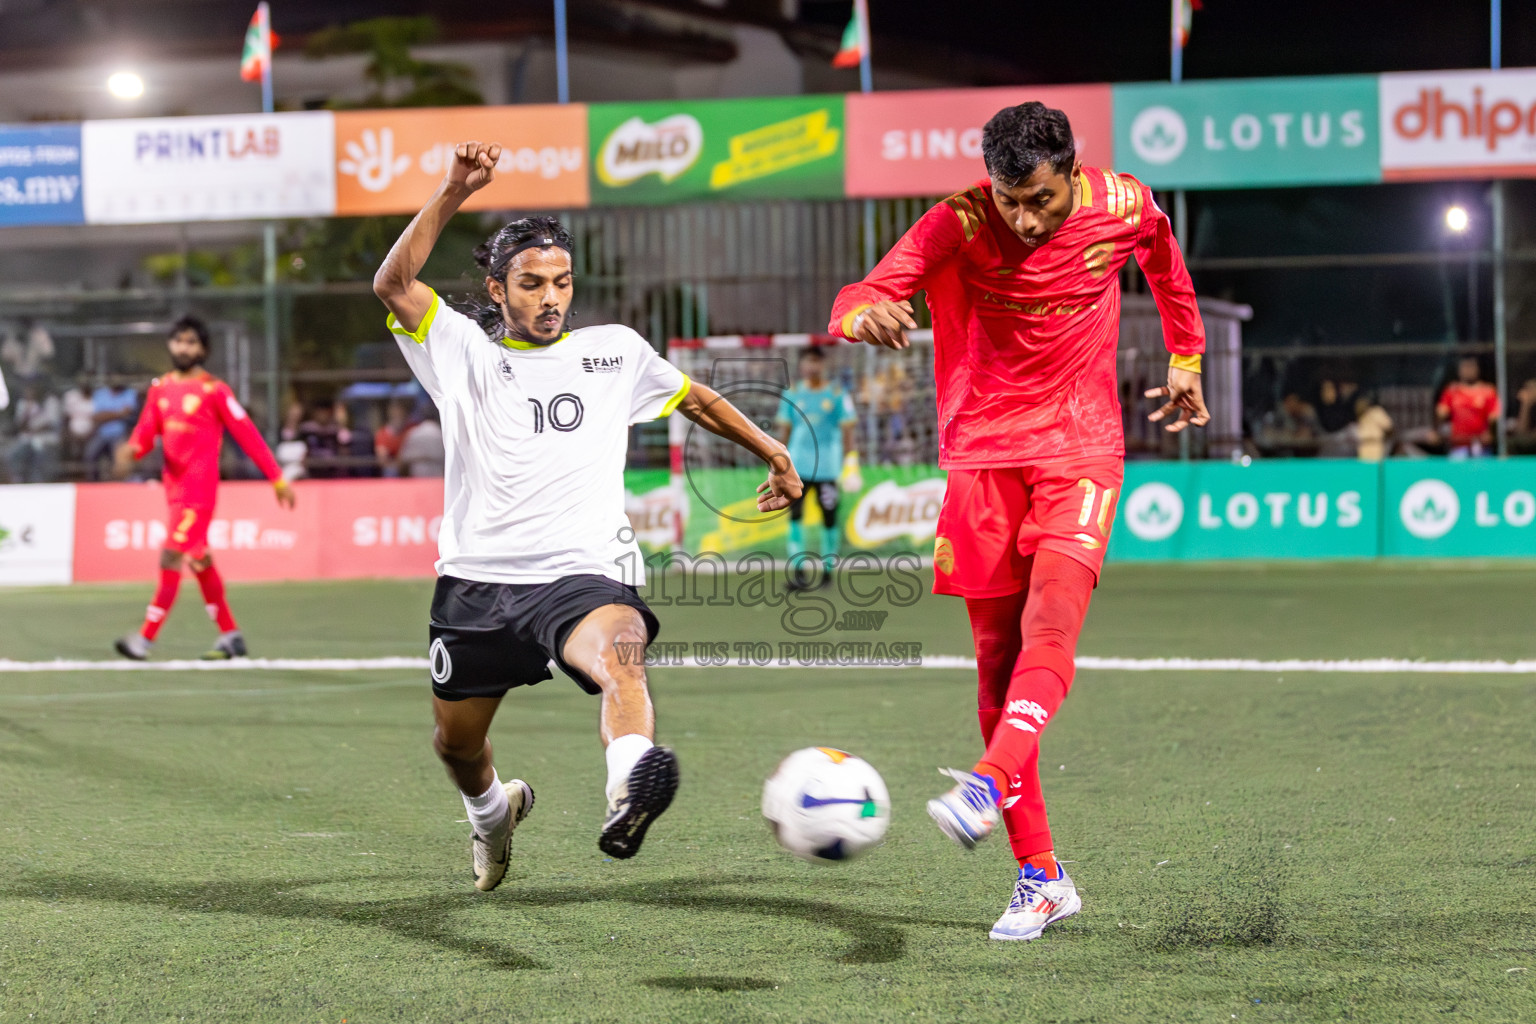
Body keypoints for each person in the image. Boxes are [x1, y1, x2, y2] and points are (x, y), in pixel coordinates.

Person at [372, 141, 801, 888]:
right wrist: (451, 190)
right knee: (456, 747)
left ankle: (629, 785)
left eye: (562, 282)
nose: (550, 297)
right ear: (498, 290)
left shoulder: (616, 353)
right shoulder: (458, 349)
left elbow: (695, 398)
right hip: (476, 583)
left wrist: (775, 451)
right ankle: (492, 818)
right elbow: (393, 280)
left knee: (622, 657)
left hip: (583, 572)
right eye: (531, 284)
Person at [828, 102, 1207, 941]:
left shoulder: (1123, 205)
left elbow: (1167, 265)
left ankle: (985, 781)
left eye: (1039, 198)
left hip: (1081, 448)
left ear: (1071, 171)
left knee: (1050, 629)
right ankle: (1041, 878)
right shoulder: (958, 222)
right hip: (980, 459)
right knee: (996, 676)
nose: (1026, 218)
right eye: (1011, 201)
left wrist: (1187, 355)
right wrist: (863, 315)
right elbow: (858, 294)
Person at [112, 316, 295, 661]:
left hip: (198, 494)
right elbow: (146, 434)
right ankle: (231, 636)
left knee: (171, 555)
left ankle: (144, 639)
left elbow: (248, 435)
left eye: (192, 342)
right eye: (179, 340)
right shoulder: (160, 388)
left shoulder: (215, 391)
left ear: (204, 349)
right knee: (199, 560)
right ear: (170, 344)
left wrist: (277, 477)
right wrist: (130, 452)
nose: (184, 347)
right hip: (173, 491)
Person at [774, 346, 858, 585]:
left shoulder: (837, 394)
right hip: (797, 469)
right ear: (802, 366)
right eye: (808, 362)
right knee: (795, 515)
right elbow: (785, 430)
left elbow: (848, 430)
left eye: (817, 362)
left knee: (829, 517)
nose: (813, 367)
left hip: (828, 469)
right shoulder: (792, 394)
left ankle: (828, 571)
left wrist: (851, 463)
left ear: (824, 365)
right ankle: (798, 571)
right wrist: (778, 464)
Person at [1436, 356, 1499, 458]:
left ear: (1477, 369)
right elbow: (1441, 413)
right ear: (1459, 370)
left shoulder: (1488, 391)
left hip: (1481, 446)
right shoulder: (1452, 390)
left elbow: (1494, 416)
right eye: (1465, 367)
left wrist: (1491, 432)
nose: (1468, 370)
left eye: (1471, 367)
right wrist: (1438, 430)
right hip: (1458, 446)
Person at [5, 382, 62, 483]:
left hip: (46, 439)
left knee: (38, 453)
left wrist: (33, 430)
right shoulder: (24, 403)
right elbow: (20, 426)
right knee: (10, 454)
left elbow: (51, 424)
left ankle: (37, 482)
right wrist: (27, 411)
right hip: (27, 439)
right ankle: (17, 480)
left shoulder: (50, 401)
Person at [84, 381, 138, 479]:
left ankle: (117, 485)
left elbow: (127, 412)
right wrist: (119, 413)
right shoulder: (100, 393)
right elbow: (97, 416)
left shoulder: (129, 393)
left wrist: (107, 414)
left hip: (120, 434)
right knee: (90, 455)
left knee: (120, 463)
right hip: (101, 433)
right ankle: (93, 483)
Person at [374, 398, 413, 476]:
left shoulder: (411, 429)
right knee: (390, 470)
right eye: (394, 410)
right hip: (393, 470)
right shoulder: (382, 433)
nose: (397, 413)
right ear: (389, 412)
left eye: (400, 410)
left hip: (409, 467)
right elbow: (382, 459)